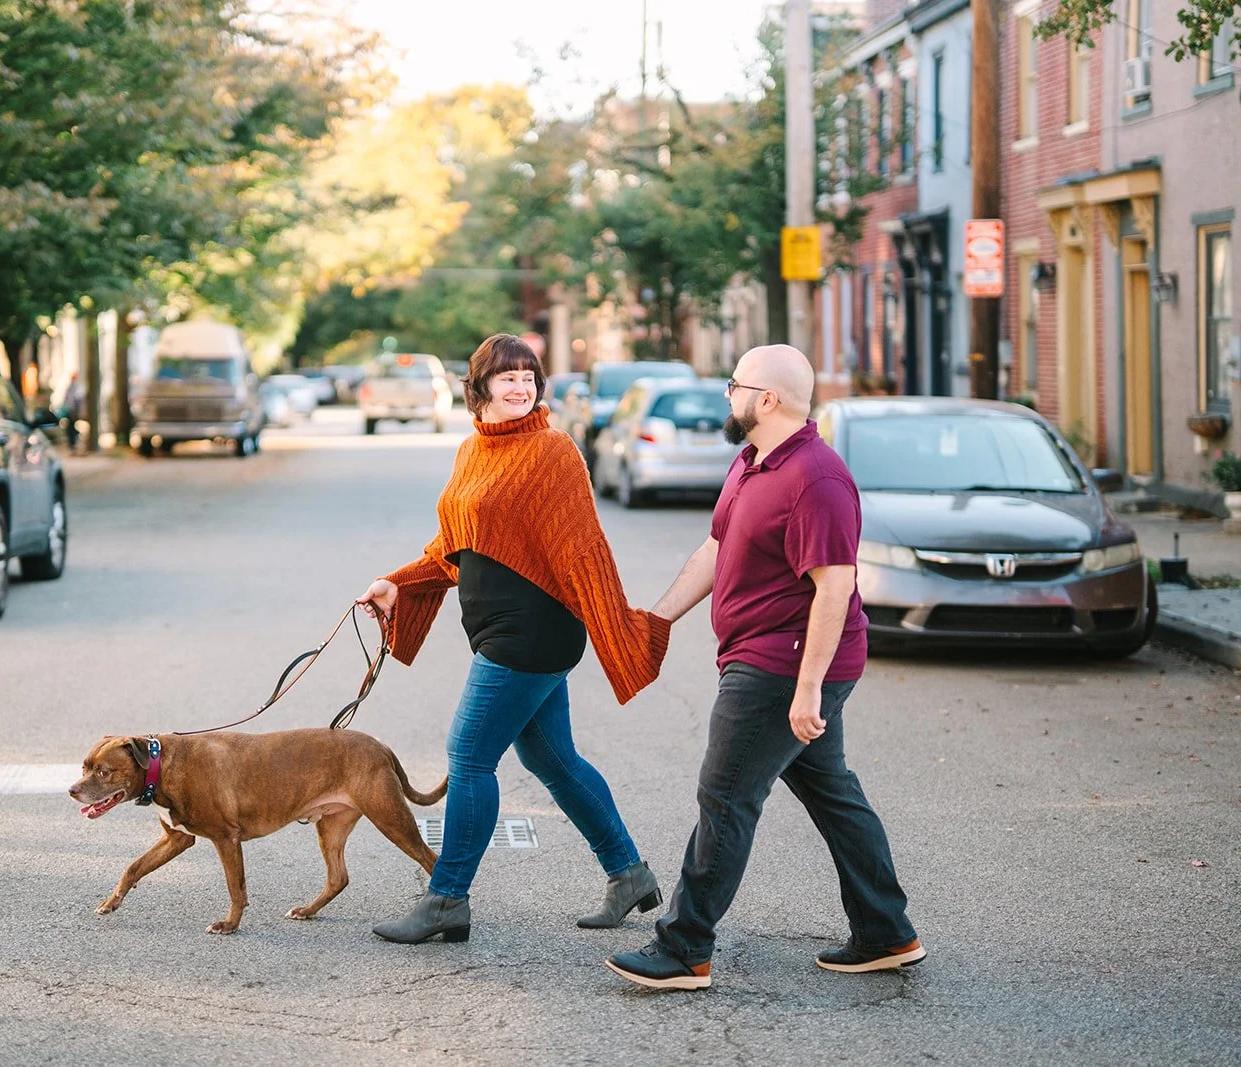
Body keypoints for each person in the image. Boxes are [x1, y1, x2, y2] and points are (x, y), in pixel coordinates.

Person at [605, 344, 922, 991]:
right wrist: (658, 618)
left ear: (767, 398)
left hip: (784, 664)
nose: (726, 395)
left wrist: (808, 691)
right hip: (770, 659)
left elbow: (834, 587)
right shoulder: (751, 462)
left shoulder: (817, 478)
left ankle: (685, 947)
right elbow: (717, 546)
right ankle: (887, 930)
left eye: (734, 385)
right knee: (831, 791)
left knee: (725, 797)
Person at [357, 333, 671, 945]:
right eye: (507, 377)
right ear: (480, 388)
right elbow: (457, 548)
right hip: (497, 631)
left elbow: (583, 548)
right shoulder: (473, 450)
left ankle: (447, 897)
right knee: (550, 758)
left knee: (470, 755)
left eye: (529, 376)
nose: (520, 386)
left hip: (534, 633)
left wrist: (615, 623)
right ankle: (628, 873)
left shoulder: (554, 452)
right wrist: (398, 583)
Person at [60, 372, 86, 451]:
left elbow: (80, 401)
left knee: (73, 427)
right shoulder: (70, 388)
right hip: (70, 410)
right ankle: (72, 443)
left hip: (74, 411)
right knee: (70, 427)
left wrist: (81, 411)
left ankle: (74, 442)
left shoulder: (78, 388)